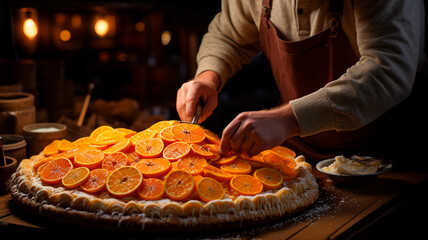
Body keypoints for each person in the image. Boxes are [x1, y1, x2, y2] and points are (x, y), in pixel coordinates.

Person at [176, 0, 427, 165]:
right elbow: (230, 35)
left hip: (387, 154)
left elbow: (388, 69)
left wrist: (288, 119)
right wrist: (208, 77)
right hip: (299, 154)